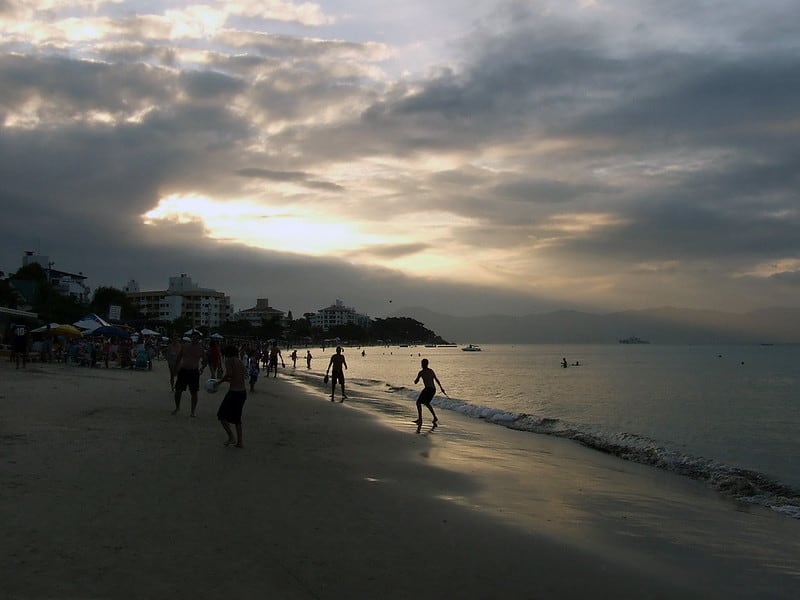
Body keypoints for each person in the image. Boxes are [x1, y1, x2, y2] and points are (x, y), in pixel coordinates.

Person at [216, 345, 246, 448]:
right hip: (242, 392)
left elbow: (229, 374)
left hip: (234, 392)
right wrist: (226, 380)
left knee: (221, 415)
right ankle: (240, 442)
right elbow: (239, 377)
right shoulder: (240, 362)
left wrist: (220, 381)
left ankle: (231, 437)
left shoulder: (229, 361)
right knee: (237, 418)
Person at [172, 332, 206, 417]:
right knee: (178, 390)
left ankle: (193, 411)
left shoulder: (200, 348)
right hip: (183, 370)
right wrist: (176, 369)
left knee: (194, 392)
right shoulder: (185, 346)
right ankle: (177, 407)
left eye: (197, 338)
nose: (195, 339)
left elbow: (205, 360)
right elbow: (179, 358)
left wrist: (202, 368)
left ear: (199, 339)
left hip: (194, 371)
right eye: (193, 337)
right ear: (191, 338)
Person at [413, 358, 444, 426]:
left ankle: (420, 419)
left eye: (422, 364)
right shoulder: (430, 371)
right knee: (427, 403)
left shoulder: (421, 372)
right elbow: (436, 380)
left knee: (418, 403)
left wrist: (441, 388)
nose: (422, 365)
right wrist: (441, 388)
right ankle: (435, 417)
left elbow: (416, 382)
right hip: (432, 389)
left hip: (428, 389)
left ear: (423, 364)